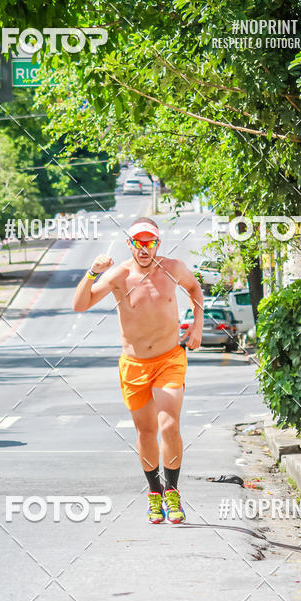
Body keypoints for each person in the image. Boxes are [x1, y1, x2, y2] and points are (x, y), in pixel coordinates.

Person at [72, 218, 203, 523]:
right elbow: (80, 305)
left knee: (169, 424)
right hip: (134, 366)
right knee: (146, 432)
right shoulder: (119, 275)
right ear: (129, 244)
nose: (145, 249)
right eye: (138, 243)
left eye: (150, 242)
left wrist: (197, 326)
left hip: (170, 359)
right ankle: (154, 493)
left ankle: (172, 492)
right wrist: (92, 272)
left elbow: (194, 289)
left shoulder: (174, 268)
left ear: (158, 243)